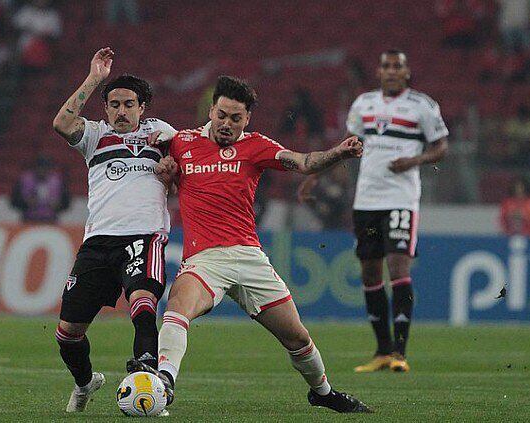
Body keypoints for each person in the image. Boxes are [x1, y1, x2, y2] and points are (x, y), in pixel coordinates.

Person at [130, 75, 372, 413]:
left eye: (236, 118)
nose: (227, 123)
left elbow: (303, 162)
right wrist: (164, 169)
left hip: (248, 257)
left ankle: (322, 392)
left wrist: (338, 153)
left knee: (298, 338)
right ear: (211, 110)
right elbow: (151, 163)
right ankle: (165, 382)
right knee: (176, 307)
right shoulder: (180, 142)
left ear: (247, 119)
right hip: (204, 259)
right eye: (222, 115)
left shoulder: (256, 146)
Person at [300, 50, 449, 373]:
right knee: (369, 273)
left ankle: (400, 351)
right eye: (386, 66)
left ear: (407, 72)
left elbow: (441, 146)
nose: (392, 71)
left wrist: (414, 160)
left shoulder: (422, 106)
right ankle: (382, 351)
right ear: (379, 72)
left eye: (398, 66)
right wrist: (313, 176)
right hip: (366, 200)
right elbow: (347, 144)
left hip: (401, 199)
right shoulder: (363, 105)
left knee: (398, 267)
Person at [51, 47, 177, 413]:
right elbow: (61, 124)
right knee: (68, 333)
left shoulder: (163, 133)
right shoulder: (94, 135)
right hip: (97, 243)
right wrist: (94, 78)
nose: (122, 111)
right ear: (105, 108)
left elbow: (188, 168)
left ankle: (150, 381)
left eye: (129, 104)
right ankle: (86, 382)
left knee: (142, 305)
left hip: (145, 236)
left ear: (143, 107)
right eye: (114, 104)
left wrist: (171, 168)